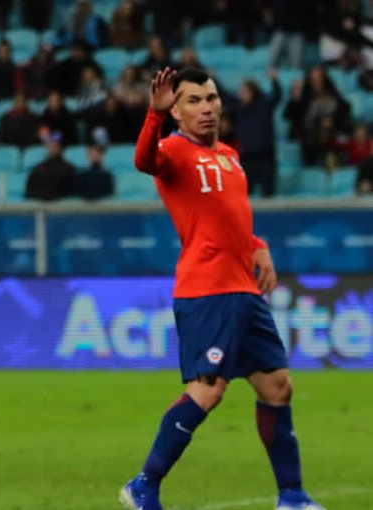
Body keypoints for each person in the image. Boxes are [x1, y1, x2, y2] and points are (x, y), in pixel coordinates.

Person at [119, 67, 326, 510]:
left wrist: (258, 246)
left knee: (277, 387)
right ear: (176, 110)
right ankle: (143, 486)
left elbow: (229, 217)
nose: (207, 106)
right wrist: (152, 118)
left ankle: (292, 497)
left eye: (211, 97)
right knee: (208, 390)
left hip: (243, 289)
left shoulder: (231, 156)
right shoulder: (172, 151)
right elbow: (143, 161)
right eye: (193, 100)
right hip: (208, 290)